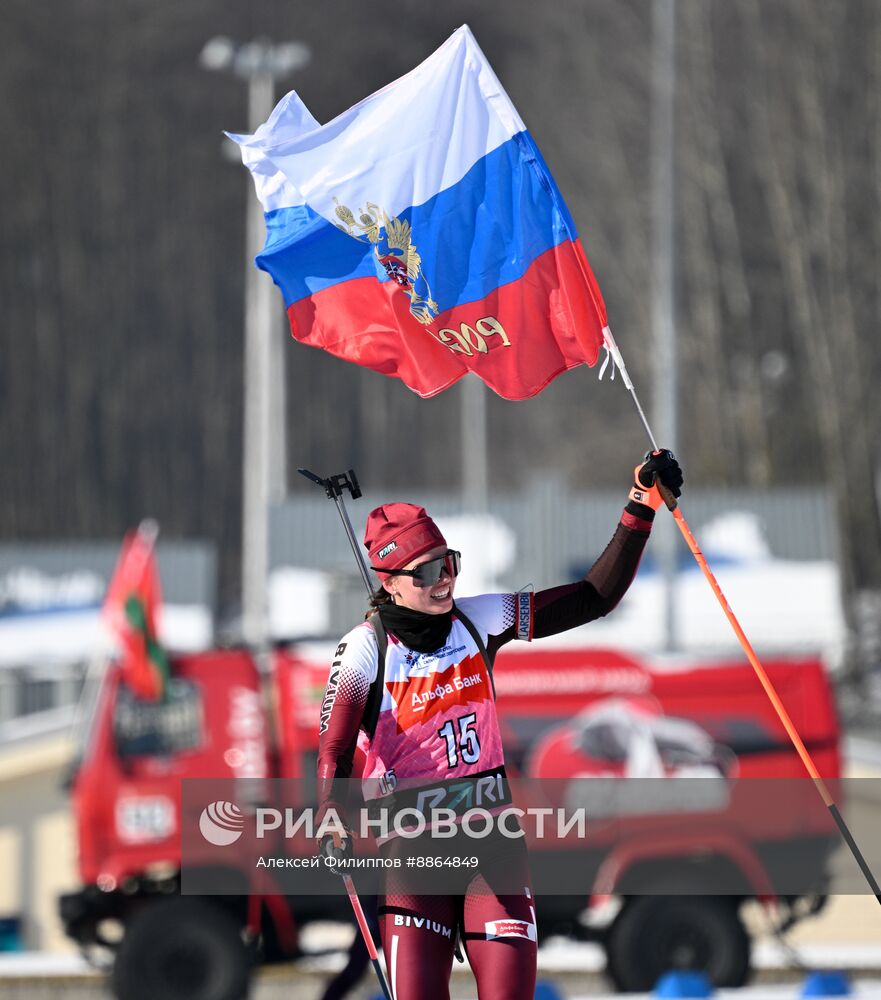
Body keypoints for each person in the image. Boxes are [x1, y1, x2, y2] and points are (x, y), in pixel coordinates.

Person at [315, 450, 683, 1000]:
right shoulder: (366, 649)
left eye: (451, 563)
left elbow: (592, 598)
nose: (446, 581)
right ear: (390, 581)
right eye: (429, 571)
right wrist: (331, 815)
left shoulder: (478, 618)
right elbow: (335, 752)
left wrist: (640, 507)